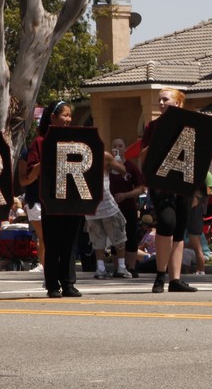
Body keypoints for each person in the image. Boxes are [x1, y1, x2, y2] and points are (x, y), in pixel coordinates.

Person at [20, 101, 87, 298]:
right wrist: (46, 162)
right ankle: (52, 285)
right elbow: (30, 172)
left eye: (70, 115)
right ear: (53, 117)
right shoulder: (40, 142)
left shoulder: (75, 141)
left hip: (73, 198)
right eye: (64, 115)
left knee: (69, 243)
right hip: (51, 199)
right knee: (53, 242)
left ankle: (68, 283)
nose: (68, 119)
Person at [138, 88, 198, 294]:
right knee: (166, 223)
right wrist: (158, 139)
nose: (161, 103)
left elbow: (197, 159)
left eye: (165, 99)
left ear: (178, 103)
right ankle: (160, 276)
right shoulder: (153, 126)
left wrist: (197, 191)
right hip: (161, 183)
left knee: (180, 229)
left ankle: (175, 279)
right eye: (159, 100)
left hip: (184, 184)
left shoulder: (190, 126)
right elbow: (142, 157)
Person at [85, 151, 130, 278]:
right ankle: (121, 266)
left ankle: (100, 268)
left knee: (97, 238)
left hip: (90, 205)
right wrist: (119, 161)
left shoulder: (79, 154)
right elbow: (122, 171)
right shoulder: (104, 155)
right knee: (119, 235)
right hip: (107, 205)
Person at [109, 137, 146, 276]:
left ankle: (131, 267)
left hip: (129, 207)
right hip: (112, 208)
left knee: (130, 237)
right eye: (115, 146)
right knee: (115, 238)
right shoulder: (108, 167)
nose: (117, 148)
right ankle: (117, 267)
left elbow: (140, 188)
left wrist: (125, 195)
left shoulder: (131, 167)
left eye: (120, 146)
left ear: (125, 148)